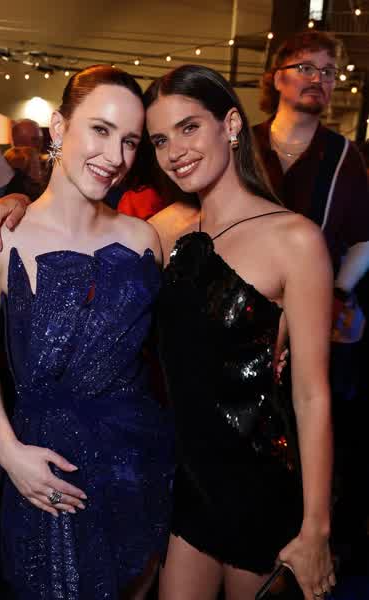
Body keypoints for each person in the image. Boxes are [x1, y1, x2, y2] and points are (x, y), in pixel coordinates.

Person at [0, 65, 335, 600]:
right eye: (159, 140)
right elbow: (75, 231)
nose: (173, 151)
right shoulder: (167, 232)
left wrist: (317, 528)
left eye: (188, 128)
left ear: (232, 125)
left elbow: (311, 393)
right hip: (171, 481)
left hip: (239, 479)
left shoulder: (280, 239)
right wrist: (11, 200)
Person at [0, 65, 174, 600]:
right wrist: (7, 450)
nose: (115, 156)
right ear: (59, 127)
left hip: (136, 463)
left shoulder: (144, 238)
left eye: (129, 141)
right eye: (100, 129)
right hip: (44, 468)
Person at [254, 30, 369, 571]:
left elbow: (364, 238)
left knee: (303, 443)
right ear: (277, 77)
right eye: (306, 67)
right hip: (240, 315)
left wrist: (339, 294)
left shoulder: (345, 156)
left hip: (310, 318)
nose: (318, 79)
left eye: (328, 72)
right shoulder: (242, 144)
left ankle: (298, 553)